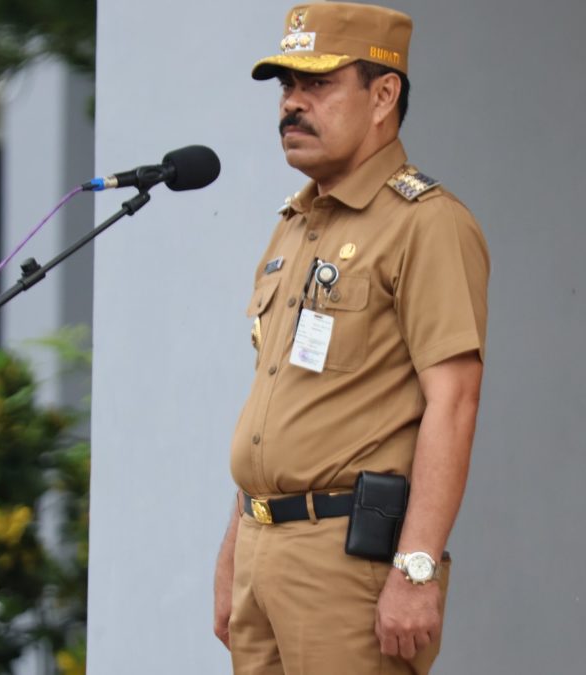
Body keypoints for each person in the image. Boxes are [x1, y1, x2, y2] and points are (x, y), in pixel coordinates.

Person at [214, 3, 489, 673]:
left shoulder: (426, 224)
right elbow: (278, 404)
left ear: (383, 94)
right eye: (286, 87)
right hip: (262, 545)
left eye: (318, 84)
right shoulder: (294, 225)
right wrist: (233, 548)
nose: (292, 105)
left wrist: (416, 569)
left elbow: (454, 401)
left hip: (344, 560)